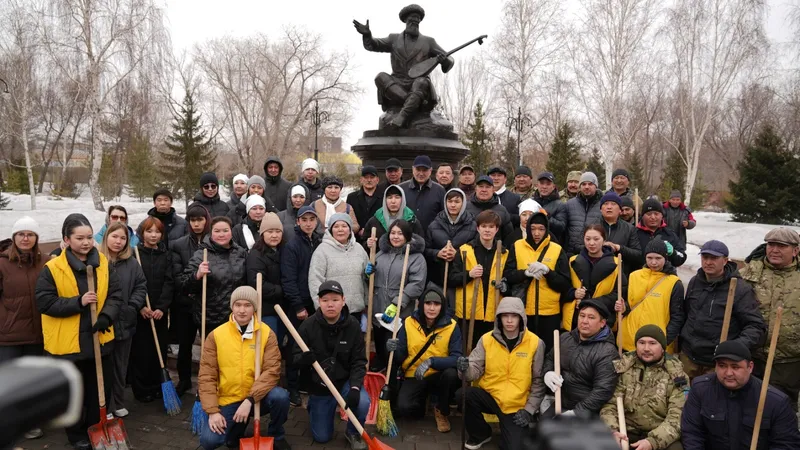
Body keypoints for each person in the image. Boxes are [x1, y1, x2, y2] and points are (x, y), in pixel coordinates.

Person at [36, 214, 123, 450]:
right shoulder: (53, 268)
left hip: (99, 340)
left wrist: (106, 316)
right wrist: (78, 302)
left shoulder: (102, 263)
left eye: (89, 237)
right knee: (74, 394)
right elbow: (45, 302)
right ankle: (76, 435)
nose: (86, 242)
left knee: (99, 391)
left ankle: (95, 427)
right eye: (79, 238)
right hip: (68, 345)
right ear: (66, 239)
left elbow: (115, 295)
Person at [198, 286, 291, 450]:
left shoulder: (266, 333)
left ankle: (277, 435)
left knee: (280, 397)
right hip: (229, 398)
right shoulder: (216, 335)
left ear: (254, 308)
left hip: (257, 397)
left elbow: (272, 371)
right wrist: (212, 411)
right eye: (238, 305)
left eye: (247, 305)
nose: (242, 310)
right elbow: (207, 376)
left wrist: (250, 400)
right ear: (232, 306)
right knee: (209, 441)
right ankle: (236, 429)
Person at [456, 296, 546, 450]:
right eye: (505, 316)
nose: (509, 321)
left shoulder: (536, 343)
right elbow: (473, 371)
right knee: (463, 394)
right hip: (490, 396)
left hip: (516, 405)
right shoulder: (486, 339)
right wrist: (464, 369)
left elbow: (538, 380)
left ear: (521, 318)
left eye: (514, 316)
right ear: (499, 318)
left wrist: (529, 410)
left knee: (514, 447)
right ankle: (481, 434)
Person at [292, 280, 369, 450]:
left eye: (335, 300)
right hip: (321, 386)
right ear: (319, 302)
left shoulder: (353, 326)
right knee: (322, 437)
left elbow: (359, 361)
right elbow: (295, 359)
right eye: (325, 300)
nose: (330, 304)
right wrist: (304, 360)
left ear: (343, 300)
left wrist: (355, 387)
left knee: (362, 402)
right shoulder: (308, 326)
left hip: (345, 381)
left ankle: (353, 432)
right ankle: (315, 407)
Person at [681, 340, 800, 449]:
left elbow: (786, 444)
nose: (728, 373)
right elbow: (692, 433)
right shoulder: (701, 389)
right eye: (722, 366)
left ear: (750, 367)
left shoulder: (775, 401)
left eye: (735, 367)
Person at [354, 4, 453, 128]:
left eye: (418, 18)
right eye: (412, 18)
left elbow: (449, 60)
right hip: (397, 84)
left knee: (421, 82)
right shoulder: (393, 39)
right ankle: (413, 103)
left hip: (418, 84)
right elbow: (375, 45)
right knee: (380, 77)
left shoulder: (429, 42)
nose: (415, 20)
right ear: (405, 20)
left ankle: (402, 116)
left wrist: (444, 61)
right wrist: (367, 35)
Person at [679, 240, 766, 381]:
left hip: (718, 361)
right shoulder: (695, 282)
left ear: (725, 260)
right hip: (689, 357)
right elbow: (688, 313)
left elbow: (755, 326)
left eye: (714, 258)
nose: (708, 262)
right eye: (705, 257)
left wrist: (735, 347)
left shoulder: (739, 289)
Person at [385, 286, 462, 432]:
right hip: (415, 374)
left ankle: (441, 410)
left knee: (452, 375)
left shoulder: (452, 326)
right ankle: (421, 404)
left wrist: (432, 362)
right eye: (428, 303)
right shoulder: (409, 322)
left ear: (442, 306)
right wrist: (392, 349)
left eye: (436, 304)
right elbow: (400, 357)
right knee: (404, 407)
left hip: (439, 374)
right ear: (421, 304)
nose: (432, 308)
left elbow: (457, 358)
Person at [600, 325, 687, 450]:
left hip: (657, 435)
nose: (646, 348)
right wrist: (613, 431)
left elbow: (677, 418)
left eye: (652, 343)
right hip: (625, 432)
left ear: (662, 348)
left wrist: (652, 442)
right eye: (641, 343)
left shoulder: (677, 376)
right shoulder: (622, 368)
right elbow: (609, 406)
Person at [741, 228, 800, 411]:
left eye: (781, 246)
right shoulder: (748, 274)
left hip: (788, 362)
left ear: (795, 250)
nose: (774, 250)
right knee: (747, 408)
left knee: (782, 410)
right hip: (753, 356)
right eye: (771, 245)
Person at [0, 217, 47, 440]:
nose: (25, 238)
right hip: (8, 334)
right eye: (21, 234)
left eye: (30, 234)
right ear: (14, 237)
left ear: (36, 238)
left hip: (37, 334)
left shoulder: (45, 262)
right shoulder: (2, 263)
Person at [99, 222, 147, 414]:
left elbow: (140, 286)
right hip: (104, 323)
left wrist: (132, 307)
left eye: (123, 238)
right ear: (106, 237)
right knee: (104, 367)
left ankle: (118, 403)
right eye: (114, 236)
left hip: (125, 322)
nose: (118, 241)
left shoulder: (132, 263)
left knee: (121, 366)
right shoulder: (97, 261)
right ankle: (105, 405)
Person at [504, 211, 571, 352]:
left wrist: (548, 272)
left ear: (546, 230)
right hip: (523, 310)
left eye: (541, 229)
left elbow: (564, 283)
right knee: (524, 351)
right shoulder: (517, 246)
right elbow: (508, 275)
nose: (536, 233)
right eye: (533, 228)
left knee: (548, 351)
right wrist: (525, 273)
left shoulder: (556, 249)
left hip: (549, 312)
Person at [367, 219, 428, 370]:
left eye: (400, 233)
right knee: (380, 346)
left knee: (394, 350)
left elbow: (417, 284)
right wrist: (367, 274)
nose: (395, 237)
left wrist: (396, 304)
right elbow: (371, 282)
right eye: (393, 233)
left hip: (400, 312)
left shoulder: (416, 258)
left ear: (407, 236)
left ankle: (395, 376)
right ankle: (380, 375)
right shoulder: (380, 254)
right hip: (378, 310)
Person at [542, 299, 618, 417]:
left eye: (591, 317)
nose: (585, 321)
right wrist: (547, 373)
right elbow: (550, 359)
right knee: (541, 427)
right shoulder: (565, 338)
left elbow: (603, 390)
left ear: (602, 323)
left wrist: (576, 413)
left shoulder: (608, 352)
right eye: (582, 316)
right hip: (560, 403)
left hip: (588, 412)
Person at [280, 206, 323, 406]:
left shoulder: (319, 242)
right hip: (299, 304)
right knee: (295, 346)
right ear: (298, 222)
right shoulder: (292, 246)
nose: (308, 223)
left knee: (312, 344)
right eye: (304, 220)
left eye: (311, 220)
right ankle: (293, 387)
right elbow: (288, 279)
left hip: (315, 302)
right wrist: (298, 306)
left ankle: (306, 382)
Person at [449, 211, 510, 350]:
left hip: (493, 312)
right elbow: (452, 279)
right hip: (469, 312)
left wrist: (504, 286)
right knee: (467, 349)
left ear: (497, 229)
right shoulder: (464, 250)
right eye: (484, 226)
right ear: (478, 228)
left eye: (491, 227)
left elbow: (510, 281)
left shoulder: (504, 253)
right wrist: (469, 274)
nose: (487, 230)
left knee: (490, 350)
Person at [130, 217, 174, 402]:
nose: (153, 235)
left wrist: (162, 307)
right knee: (142, 351)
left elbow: (169, 282)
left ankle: (158, 386)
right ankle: (142, 389)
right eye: (149, 231)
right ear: (142, 233)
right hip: (141, 311)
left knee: (159, 350)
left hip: (159, 313)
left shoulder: (166, 255)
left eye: (157, 232)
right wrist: (140, 306)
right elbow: (131, 284)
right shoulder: (134, 255)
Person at [170, 203, 211, 395]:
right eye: (192, 220)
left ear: (206, 220)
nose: (196, 224)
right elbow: (178, 277)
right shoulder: (179, 245)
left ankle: (209, 381)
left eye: (199, 220)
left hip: (209, 303)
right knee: (185, 344)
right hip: (186, 303)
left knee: (209, 345)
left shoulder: (213, 242)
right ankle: (184, 379)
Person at [182, 217, 248, 334]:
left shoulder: (240, 252)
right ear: (211, 233)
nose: (221, 234)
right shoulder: (201, 254)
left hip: (237, 316)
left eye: (225, 230)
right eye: (217, 231)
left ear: (231, 232)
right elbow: (185, 286)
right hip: (211, 318)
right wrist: (197, 275)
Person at [616, 240, 684, 354]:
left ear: (665, 258)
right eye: (649, 258)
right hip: (628, 339)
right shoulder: (634, 276)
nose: (653, 262)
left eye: (658, 258)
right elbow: (631, 304)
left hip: (655, 344)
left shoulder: (674, 283)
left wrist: (664, 341)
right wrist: (623, 307)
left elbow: (677, 317)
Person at [563, 224, 627, 331]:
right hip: (577, 317)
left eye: (596, 239)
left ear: (604, 240)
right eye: (588, 239)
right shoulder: (573, 261)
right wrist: (574, 293)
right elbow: (564, 287)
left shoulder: (616, 263)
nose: (591, 243)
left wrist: (592, 302)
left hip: (604, 317)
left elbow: (620, 292)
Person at [308, 213, 369, 317]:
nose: (340, 229)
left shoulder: (359, 249)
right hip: (332, 311)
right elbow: (315, 280)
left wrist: (367, 302)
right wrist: (320, 307)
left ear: (350, 229)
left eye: (344, 226)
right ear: (331, 230)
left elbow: (365, 279)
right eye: (336, 226)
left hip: (356, 309)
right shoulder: (322, 250)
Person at [425, 188, 477, 292]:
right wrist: (437, 253)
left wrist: (457, 254)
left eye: (457, 202)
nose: (453, 205)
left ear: (463, 203)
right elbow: (425, 249)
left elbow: (476, 250)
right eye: (450, 201)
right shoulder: (434, 225)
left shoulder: (473, 225)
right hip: (438, 279)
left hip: (462, 280)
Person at [246, 213, 285, 339]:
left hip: (282, 308)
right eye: (270, 231)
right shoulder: (256, 255)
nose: (274, 235)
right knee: (269, 342)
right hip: (265, 310)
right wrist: (282, 290)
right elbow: (256, 283)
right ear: (262, 234)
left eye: (278, 231)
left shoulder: (284, 251)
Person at [361, 185, 424, 250]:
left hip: (406, 256)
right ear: (385, 200)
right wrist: (367, 244)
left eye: (397, 197)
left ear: (403, 199)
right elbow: (363, 242)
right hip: (380, 256)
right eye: (389, 197)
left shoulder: (412, 221)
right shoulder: (375, 221)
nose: (393, 201)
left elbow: (420, 244)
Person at [599, 192, 642, 276]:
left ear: (619, 210)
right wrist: (599, 245)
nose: (609, 207)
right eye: (606, 204)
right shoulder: (591, 226)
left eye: (613, 204)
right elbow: (578, 247)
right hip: (597, 274)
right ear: (601, 209)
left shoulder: (629, 229)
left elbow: (637, 254)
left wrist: (619, 248)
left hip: (620, 275)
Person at [636, 198, 687, 268]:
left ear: (661, 215)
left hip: (664, 274)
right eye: (649, 214)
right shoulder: (634, 233)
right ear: (642, 216)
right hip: (639, 273)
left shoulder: (670, 234)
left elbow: (681, 258)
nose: (653, 217)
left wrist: (673, 253)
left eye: (656, 214)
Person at [400, 155, 446, 230]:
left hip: (432, 235)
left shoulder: (440, 190)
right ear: (413, 169)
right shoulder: (402, 189)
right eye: (418, 169)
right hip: (407, 234)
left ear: (430, 170)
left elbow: (444, 216)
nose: (421, 173)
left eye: (424, 170)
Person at [466, 175, 514, 243]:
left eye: (488, 187)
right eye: (481, 186)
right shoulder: (465, 208)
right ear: (476, 189)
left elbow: (509, 236)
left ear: (493, 189)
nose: (484, 190)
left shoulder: (502, 210)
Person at [564, 172, 603, 255]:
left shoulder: (603, 205)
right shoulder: (569, 204)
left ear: (596, 186)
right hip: (571, 253)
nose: (587, 187)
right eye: (584, 184)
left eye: (590, 184)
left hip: (595, 253)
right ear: (580, 186)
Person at [532, 171, 567, 244]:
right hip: (532, 244)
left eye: (548, 184)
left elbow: (561, 227)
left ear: (553, 187)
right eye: (542, 183)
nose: (544, 187)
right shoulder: (531, 202)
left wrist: (547, 217)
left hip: (551, 244)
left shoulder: (560, 205)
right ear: (537, 185)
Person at [347, 165, 383, 234]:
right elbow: (348, 219)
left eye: (372, 177)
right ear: (361, 180)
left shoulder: (384, 197)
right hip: (357, 237)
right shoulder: (351, 197)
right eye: (366, 177)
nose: (369, 180)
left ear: (377, 180)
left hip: (379, 236)